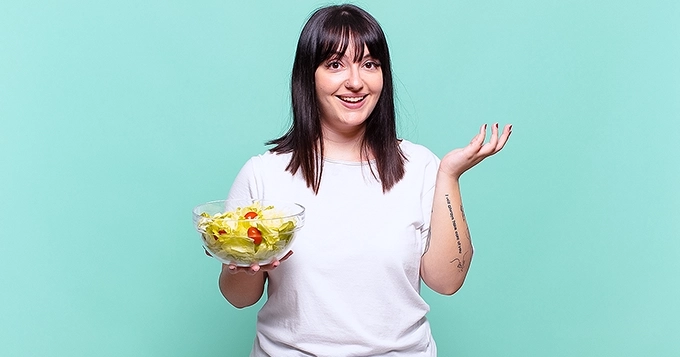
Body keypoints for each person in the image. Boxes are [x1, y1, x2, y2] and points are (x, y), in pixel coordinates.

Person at [217, 4, 511, 356]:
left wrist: (449, 175)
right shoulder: (264, 174)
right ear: (308, 76)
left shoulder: (418, 166)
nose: (355, 82)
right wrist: (246, 268)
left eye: (369, 64)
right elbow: (238, 298)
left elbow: (447, 282)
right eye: (335, 64)